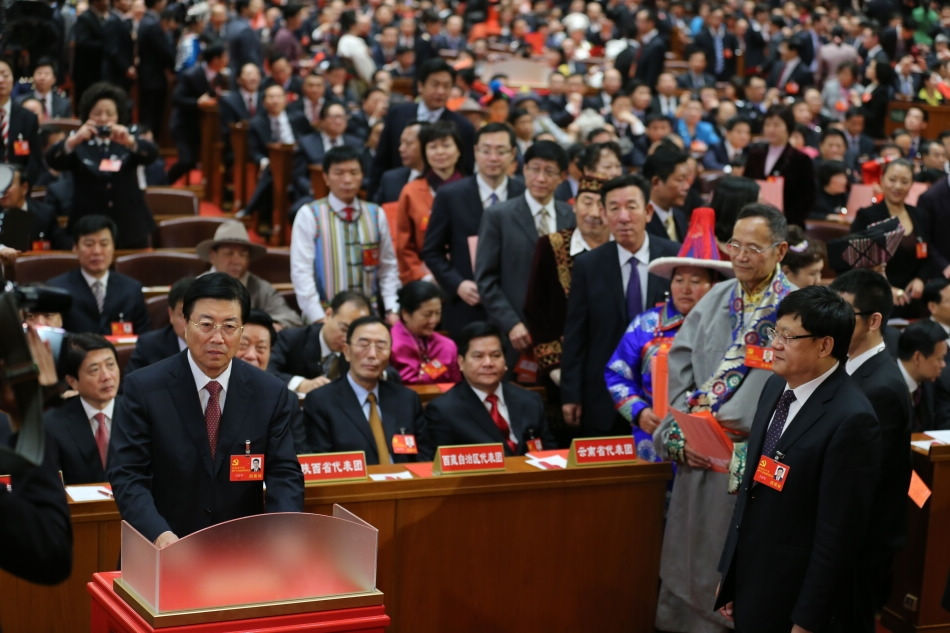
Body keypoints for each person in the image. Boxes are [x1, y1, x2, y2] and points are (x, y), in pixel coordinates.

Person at [652, 203, 792, 632]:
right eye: (735, 245)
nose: (742, 255)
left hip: (748, 457)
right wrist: (681, 430)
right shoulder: (716, 296)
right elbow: (679, 362)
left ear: (780, 251)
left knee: (731, 556)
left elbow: (802, 387)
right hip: (697, 448)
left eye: (754, 247)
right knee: (686, 548)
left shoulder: (795, 308)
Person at [716, 286, 880, 633]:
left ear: (824, 345)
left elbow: (837, 535)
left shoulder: (851, 418)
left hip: (795, 597)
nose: (774, 344)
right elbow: (751, 489)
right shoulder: (775, 388)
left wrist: (807, 618)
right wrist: (730, 576)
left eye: (789, 337)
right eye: (776, 332)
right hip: (752, 580)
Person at [109, 273, 304, 547]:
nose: (217, 337)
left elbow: (284, 474)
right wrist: (160, 535)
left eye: (229, 326)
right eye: (206, 324)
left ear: (241, 330)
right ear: (185, 325)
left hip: (241, 551)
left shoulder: (269, 393)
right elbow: (128, 475)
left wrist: (281, 531)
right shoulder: (144, 389)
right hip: (161, 546)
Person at [605, 207, 731, 460]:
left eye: (696, 281)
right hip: (653, 437)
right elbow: (617, 374)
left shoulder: (729, 327)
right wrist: (639, 412)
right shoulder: (646, 324)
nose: (685, 289)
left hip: (710, 438)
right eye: (679, 279)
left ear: (714, 286)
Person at [562, 174, 679, 437]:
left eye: (631, 206)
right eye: (614, 208)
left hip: (664, 392)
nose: (623, 217)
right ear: (603, 214)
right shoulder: (588, 265)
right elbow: (575, 334)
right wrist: (570, 393)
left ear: (648, 211)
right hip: (603, 393)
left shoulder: (673, 258)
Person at [830, 269, 913, 631]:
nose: (833, 323)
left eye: (844, 314)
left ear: (874, 320)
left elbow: (863, 478)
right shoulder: (848, 365)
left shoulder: (880, 384)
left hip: (860, 542)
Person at [475, 140, 574, 369]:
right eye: (534, 169)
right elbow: (486, 279)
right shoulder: (498, 216)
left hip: (560, 333)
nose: (540, 178)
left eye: (549, 172)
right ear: (524, 169)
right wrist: (511, 323)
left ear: (561, 177)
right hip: (514, 332)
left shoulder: (570, 216)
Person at [421, 123, 524, 337]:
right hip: (468, 304)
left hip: (516, 306)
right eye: (486, 150)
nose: (493, 158)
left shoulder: (523, 193)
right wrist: (458, 284)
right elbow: (432, 251)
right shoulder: (450, 195)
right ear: (475, 151)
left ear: (513, 153)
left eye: (501, 151)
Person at [291, 145, 399, 324]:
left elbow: (387, 267)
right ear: (325, 177)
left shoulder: (376, 214)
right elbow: (301, 271)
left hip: (368, 317)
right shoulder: (310, 214)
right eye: (339, 173)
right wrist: (317, 316)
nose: (347, 180)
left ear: (362, 176)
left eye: (354, 172)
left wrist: (391, 308)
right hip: (326, 316)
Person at [44, 82, 158, 249]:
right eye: (97, 113)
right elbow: (53, 160)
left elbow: (152, 155)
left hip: (129, 225)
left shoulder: (128, 140)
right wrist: (73, 142)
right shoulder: (78, 143)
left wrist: (131, 142)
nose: (104, 118)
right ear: (87, 115)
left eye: (109, 113)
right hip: (89, 224)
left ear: (118, 116)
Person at [302, 316, 428, 463]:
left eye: (381, 346)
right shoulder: (321, 402)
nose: (372, 354)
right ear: (347, 351)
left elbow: (424, 455)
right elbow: (321, 462)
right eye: (364, 345)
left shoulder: (407, 399)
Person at [524, 177, 611, 385]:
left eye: (602, 205)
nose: (593, 213)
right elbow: (536, 308)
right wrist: (555, 367)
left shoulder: (622, 248)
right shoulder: (551, 246)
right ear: (574, 205)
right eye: (587, 202)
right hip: (565, 365)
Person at [424, 322, 556, 455]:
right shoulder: (443, 410)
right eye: (478, 356)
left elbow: (550, 453)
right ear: (461, 362)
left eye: (495, 355)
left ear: (505, 361)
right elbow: (442, 464)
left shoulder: (530, 401)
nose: (488, 363)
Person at [373, 59, 476, 188]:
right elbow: (381, 160)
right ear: (421, 86)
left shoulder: (463, 126)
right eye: (435, 84)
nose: (441, 91)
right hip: (397, 190)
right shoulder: (397, 115)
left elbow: (466, 171)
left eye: (446, 86)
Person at [851, 159, 933, 318]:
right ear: (882, 180)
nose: (897, 186)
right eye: (892, 179)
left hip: (913, 296)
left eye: (904, 181)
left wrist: (921, 279)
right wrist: (886, 288)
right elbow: (857, 261)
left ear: (911, 185)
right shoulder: (867, 215)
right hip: (876, 296)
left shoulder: (920, 215)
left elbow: (927, 254)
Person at [47, 215, 150, 335]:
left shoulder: (132, 289)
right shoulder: (58, 289)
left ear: (113, 247)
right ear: (75, 248)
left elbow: (144, 336)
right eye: (89, 244)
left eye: (104, 244)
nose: (97, 251)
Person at [44, 333, 121, 484]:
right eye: (94, 370)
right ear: (73, 382)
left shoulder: (139, 414)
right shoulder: (53, 425)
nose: (106, 376)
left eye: (110, 365)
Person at [197, 221, 302, 328]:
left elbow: (292, 319)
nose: (237, 261)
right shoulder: (197, 287)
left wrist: (261, 328)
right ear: (212, 256)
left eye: (243, 254)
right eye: (229, 253)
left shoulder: (261, 289)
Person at [394, 121, 463, 284]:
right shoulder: (411, 191)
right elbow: (404, 245)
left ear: (459, 150)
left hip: (466, 279)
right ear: (424, 152)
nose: (440, 152)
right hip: (425, 280)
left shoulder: (471, 188)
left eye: (446, 146)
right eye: (432, 147)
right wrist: (423, 277)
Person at [268, 291, 372, 395]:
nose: (347, 339)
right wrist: (301, 384)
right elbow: (267, 371)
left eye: (355, 333)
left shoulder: (360, 347)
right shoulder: (291, 338)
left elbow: (384, 371)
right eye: (344, 329)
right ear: (328, 314)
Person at [167, 42, 228, 185]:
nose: (227, 59)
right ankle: (163, 182)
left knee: (198, 160)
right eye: (224, 56)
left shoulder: (221, 76)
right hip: (183, 125)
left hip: (202, 127)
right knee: (187, 161)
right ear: (215, 60)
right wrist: (197, 103)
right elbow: (176, 99)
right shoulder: (192, 74)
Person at [744, 104, 815, 229]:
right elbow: (747, 183)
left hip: (787, 223)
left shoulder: (801, 159)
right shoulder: (755, 154)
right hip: (755, 219)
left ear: (788, 127)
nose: (771, 129)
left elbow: (807, 197)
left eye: (776, 125)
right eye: (768, 124)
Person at [390, 281, 461, 384]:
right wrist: (439, 364)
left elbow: (457, 385)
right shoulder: (390, 344)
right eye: (427, 314)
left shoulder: (446, 345)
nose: (434, 320)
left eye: (438, 313)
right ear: (406, 314)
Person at [125, 277, 193, 374]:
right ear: (171, 314)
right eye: (183, 315)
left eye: (197, 316)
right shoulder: (148, 347)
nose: (190, 323)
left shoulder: (218, 343)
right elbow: (131, 386)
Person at [898, 320, 948, 432]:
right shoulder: (887, 389)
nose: (943, 365)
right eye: (939, 359)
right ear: (918, 358)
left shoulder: (930, 382)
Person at [643, 146, 690, 242]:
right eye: (680, 180)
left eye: (686, 180)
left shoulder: (680, 216)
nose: (686, 186)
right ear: (656, 182)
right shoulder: (641, 219)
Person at [374, 121, 424, 205]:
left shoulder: (442, 180)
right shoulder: (390, 179)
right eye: (401, 143)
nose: (401, 149)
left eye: (408, 143)